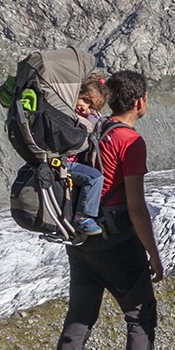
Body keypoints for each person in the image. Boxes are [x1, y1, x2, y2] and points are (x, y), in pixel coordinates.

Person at [50, 70, 164, 350]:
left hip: (82, 244)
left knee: (78, 323)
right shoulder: (130, 141)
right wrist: (153, 253)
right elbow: (136, 207)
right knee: (140, 316)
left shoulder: (87, 130)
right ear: (141, 102)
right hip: (118, 243)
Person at [64, 73, 111, 239]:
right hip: (63, 164)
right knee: (95, 178)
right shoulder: (75, 119)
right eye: (85, 100)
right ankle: (83, 216)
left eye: (91, 108)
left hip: (64, 163)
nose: (85, 108)